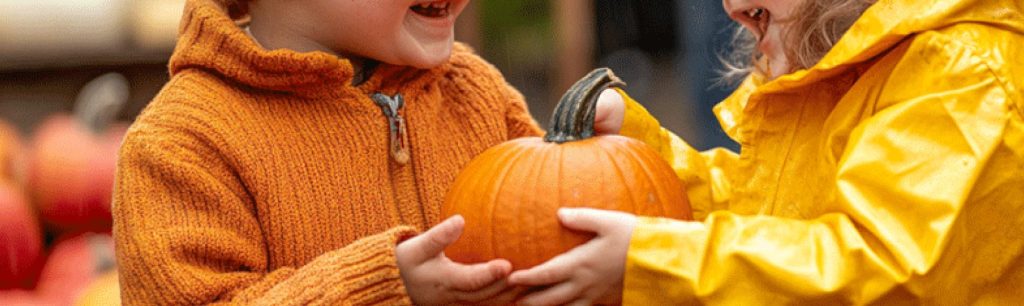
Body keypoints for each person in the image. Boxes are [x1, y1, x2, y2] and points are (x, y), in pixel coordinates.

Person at [508, 0, 1024, 304]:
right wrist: (637, 157)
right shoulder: (852, 69)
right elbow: (774, 218)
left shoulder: (959, 75)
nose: (730, 7)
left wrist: (655, 258)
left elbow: (878, 271)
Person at [112, 0, 628, 304]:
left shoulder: (473, 92)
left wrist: (601, 158)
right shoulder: (182, 144)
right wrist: (383, 287)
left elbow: (548, 235)